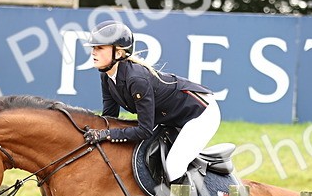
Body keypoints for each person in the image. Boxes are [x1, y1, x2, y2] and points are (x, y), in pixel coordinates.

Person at [82, 20, 220, 184]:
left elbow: (144, 131)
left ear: (118, 53)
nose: (93, 52)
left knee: (174, 165)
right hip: (171, 116)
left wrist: (106, 134)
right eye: (93, 48)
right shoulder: (106, 75)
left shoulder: (136, 79)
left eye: (100, 48)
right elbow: (110, 117)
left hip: (200, 113)